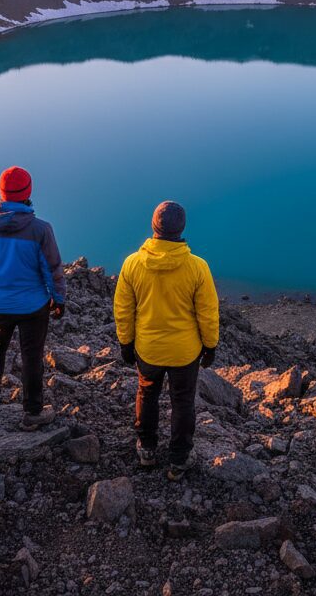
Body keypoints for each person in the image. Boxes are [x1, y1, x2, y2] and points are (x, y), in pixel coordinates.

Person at [114, 200, 219, 480]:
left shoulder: (133, 264)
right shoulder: (197, 267)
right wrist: (210, 346)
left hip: (147, 349)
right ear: (181, 228)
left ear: (154, 227)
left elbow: (124, 309)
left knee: (147, 394)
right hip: (185, 353)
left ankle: (146, 449)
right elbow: (207, 313)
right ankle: (179, 459)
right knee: (182, 402)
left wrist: (126, 342)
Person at [0, 166, 66, 431]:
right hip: (34, 306)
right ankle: (33, 412)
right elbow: (52, 268)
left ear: (2, 192)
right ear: (28, 192)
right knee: (32, 356)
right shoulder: (40, 230)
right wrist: (58, 299)